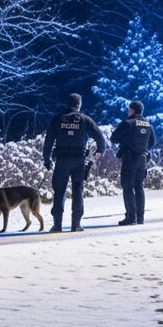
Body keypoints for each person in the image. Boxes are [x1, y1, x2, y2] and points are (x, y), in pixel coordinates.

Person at [43, 92, 106, 232]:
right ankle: (76, 224)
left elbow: (48, 141)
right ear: (79, 105)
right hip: (79, 161)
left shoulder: (58, 119)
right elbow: (100, 138)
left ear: (68, 103)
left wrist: (46, 159)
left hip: (62, 160)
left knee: (59, 191)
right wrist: (99, 151)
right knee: (78, 191)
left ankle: (57, 225)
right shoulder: (85, 120)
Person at [111, 100, 156, 225]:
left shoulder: (127, 123)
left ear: (132, 110)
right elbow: (152, 142)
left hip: (129, 159)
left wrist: (125, 141)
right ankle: (140, 217)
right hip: (142, 159)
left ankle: (131, 217)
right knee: (139, 187)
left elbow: (113, 138)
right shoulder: (148, 124)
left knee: (128, 188)